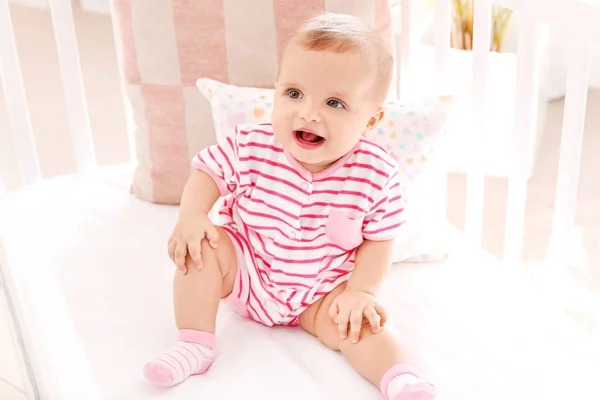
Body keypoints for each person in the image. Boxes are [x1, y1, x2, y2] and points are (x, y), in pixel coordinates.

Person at [143, 12, 436, 400]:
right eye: (294, 94)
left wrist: (361, 292)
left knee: (358, 323)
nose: (308, 113)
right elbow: (208, 174)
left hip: (320, 291)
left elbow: (379, 241)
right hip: (246, 273)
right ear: (276, 91)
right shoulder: (253, 144)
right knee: (201, 250)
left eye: (334, 102)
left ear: (370, 121)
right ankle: (194, 343)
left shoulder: (376, 172)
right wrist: (192, 216)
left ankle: (399, 378)